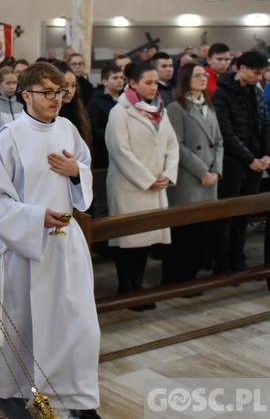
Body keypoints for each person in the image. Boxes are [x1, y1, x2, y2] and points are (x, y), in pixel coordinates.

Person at [0, 62, 100, 419]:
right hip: (25, 248)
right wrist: (34, 218)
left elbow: (84, 168)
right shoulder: (9, 137)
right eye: (47, 92)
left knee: (76, 324)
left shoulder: (67, 129)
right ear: (26, 96)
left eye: (61, 92)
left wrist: (76, 172)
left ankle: (75, 397)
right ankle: (11, 393)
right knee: (21, 323)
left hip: (65, 244)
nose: (56, 99)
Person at [105, 63, 179, 308]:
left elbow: (171, 144)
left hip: (156, 184)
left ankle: (138, 285)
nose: (153, 87)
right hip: (131, 185)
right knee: (129, 239)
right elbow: (120, 151)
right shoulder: (120, 111)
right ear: (133, 83)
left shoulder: (160, 109)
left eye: (155, 82)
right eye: (148, 82)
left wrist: (167, 174)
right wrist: (147, 179)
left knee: (147, 238)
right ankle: (127, 287)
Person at [164, 63, 223, 284]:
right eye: (197, 75)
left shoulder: (209, 106)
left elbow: (218, 142)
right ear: (186, 79)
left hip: (210, 178)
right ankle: (176, 278)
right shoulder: (176, 108)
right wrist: (202, 171)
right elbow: (177, 145)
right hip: (190, 177)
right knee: (184, 232)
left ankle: (193, 277)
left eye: (204, 75)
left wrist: (216, 170)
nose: (203, 78)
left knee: (202, 232)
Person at [212, 51, 270, 272]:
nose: (259, 77)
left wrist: (266, 154)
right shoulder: (221, 94)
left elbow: (265, 125)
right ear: (242, 68)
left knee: (244, 215)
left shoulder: (256, 92)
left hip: (256, 162)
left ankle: (238, 258)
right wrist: (249, 159)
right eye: (256, 73)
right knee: (227, 216)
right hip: (233, 163)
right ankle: (223, 262)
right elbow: (226, 133)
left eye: (262, 73)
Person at [87, 63, 125, 169]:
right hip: (104, 152)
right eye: (115, 78)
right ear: (105, 81)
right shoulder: (96, 102)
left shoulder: (126, 100)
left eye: (121, 77)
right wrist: (110, 136)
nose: (120, 80)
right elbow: (92, 127)